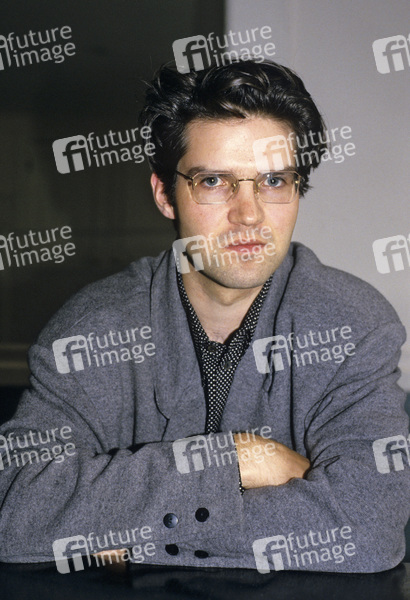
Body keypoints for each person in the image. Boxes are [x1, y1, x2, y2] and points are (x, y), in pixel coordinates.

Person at [0, 59, 408, 573]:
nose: (249, 214)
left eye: (274, 180)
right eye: (214, 181)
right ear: (165, 195)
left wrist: (122, 529)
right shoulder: (92, 331)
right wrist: (238, 460)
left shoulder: (353, 325)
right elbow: (13, 506)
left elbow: (369, 528)